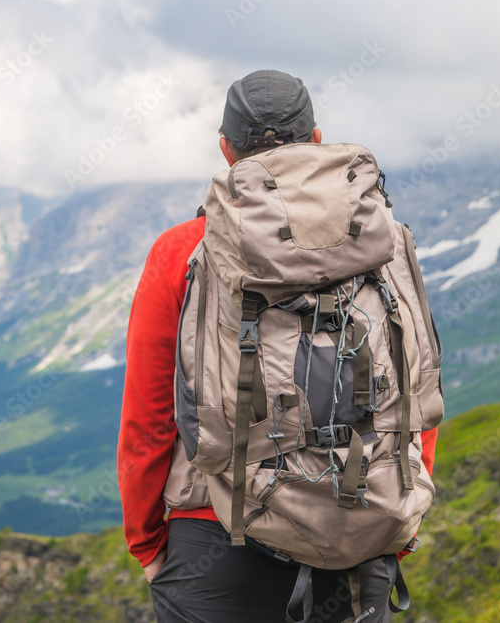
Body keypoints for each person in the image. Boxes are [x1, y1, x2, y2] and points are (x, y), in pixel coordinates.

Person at [117, 69, 439, 622]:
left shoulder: (181, 253)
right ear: (316, 139)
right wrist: (401, 513)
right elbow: (415, 385)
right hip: (360, 519)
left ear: (226, 150)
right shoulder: (381, 241)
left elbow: (150, 418)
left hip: (216, 533)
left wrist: (147, 543)